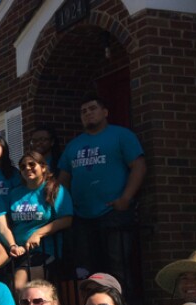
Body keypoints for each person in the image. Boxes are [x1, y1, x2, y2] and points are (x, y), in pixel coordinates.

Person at [57, 94, 146, 294]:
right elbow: (63, 180)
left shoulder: (121, 135)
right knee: (87, 268)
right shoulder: (74, 145)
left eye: (92, 108)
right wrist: (66, 208)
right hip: (82, 216)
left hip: (114, 212)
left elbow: (138, 166)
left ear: (105, 112)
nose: (88, 113)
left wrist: (126, 198)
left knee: (118, 264)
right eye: (83, 111)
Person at [8, 151, 73, 291]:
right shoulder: (14, 193)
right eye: (23, 167)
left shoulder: (55, 189)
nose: (27, 168)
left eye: (32, 164)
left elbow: (67, 219)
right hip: (17, 253)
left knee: (21, 286)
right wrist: (12, 245)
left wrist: (38, 233)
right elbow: (7, 223)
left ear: (43, 167)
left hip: (44, 251)